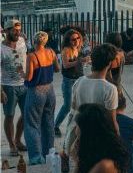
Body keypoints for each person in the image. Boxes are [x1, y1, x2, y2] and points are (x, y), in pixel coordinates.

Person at [69, 103, 130, 173]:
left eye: (80, 139)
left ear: (90, 139)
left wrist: (78, 164)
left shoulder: (104, 167)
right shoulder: (100, 159)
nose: (75, 144)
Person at [22, 31, 59, 165]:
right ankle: (49, 153)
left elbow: (29, 77)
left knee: (32, 124)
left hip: (36, 91)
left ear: (33, 41)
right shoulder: (51, 52)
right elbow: (57, 69)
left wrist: (20, 72)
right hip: (50, 90)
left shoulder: (31, 56)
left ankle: (36, 157)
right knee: (48, 122)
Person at [2, 19, 28, 158]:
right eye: (15, 30)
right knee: (9, 116)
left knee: (26, 114)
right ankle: (11, 144)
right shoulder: (1, 49)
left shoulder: (22, 41)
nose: (18, 32)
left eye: (19, 29)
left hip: (24, 84)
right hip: (8, 86)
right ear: (6, 31)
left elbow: (28, 57)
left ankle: (18, 140)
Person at [55, 29, 87, 137]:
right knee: (67, 106)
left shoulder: (78, 49)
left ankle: (78, 126)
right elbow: (65, 65)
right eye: (73, 39)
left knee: (81, 104)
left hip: (79, 79)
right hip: (69, 80)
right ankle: (56, 126)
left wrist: (86, 61)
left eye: (78, 38)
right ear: (68, 40)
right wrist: (80, 61)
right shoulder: (66, 50)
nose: (76, 41)